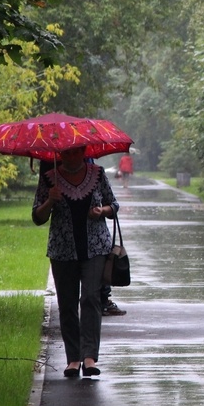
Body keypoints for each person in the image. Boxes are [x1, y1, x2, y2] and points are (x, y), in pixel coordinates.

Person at [33, 145, 118, 378]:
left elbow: (114, 205)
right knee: (67, 303)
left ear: (83, 152)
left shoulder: (98, 174)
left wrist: (102, 211)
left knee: (91, 298)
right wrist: (50, 201)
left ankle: (89, 358)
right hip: (62, 250)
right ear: (59, 154)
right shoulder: (50, 178)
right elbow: (37, 217)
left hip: (96, 249)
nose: (70, 157)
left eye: (75, 152)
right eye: (66, 153)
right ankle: (73, 359)